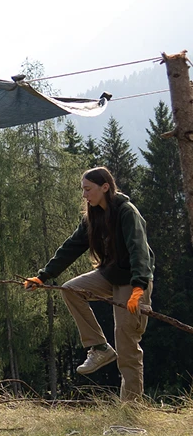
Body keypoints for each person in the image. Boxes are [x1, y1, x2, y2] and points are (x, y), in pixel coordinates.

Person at [24, 165, 154, 402]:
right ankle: (100, 348)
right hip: (110, 275)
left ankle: (131, 408)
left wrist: (139, 287)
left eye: (88, 189)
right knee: (71, 289)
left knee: (127, 347)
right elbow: (70, 248)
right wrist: (43, 276)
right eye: (82, 189)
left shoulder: (127, 212)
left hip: (134, 282)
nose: (84, 195)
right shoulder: (92, 216)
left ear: (105, 187)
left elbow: (139, 251)